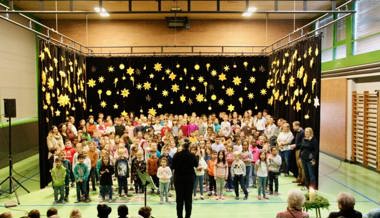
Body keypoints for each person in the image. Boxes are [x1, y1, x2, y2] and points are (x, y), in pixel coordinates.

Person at [172, 140, 198, 218]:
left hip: (178, 179)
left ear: (182, 146)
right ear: (189, 147)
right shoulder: (192, 155)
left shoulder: (176, 155)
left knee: (179, 199)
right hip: (189, 179)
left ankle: (179, 216)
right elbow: (196, 165)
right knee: (188, 199)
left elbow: (172, 166)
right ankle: (187, 216)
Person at [291, 121, 305, 185]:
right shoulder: (298, 132)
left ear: (297, 126)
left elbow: (303, 143)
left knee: (301, 166)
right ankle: (299, 179)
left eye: (293, 126)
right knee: (298, 166)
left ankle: (302, 181)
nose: (293, 127)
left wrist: (296, 145)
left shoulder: (302, 132)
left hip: (300, 151)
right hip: (297, 150)